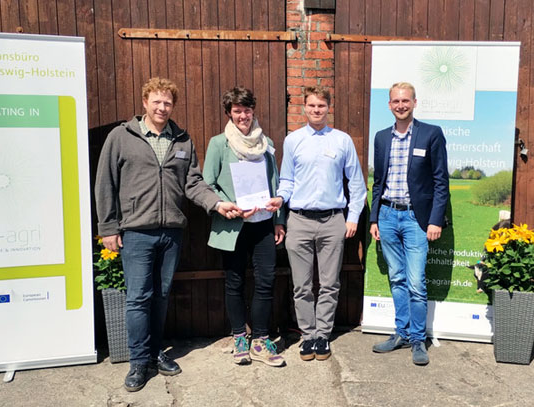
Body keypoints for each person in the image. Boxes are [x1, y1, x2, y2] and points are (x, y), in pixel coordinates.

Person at [95, 77, 241, 392]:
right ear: (145, 102)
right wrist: (107, 228)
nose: (162, 108)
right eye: (157, 102)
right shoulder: (122, 137)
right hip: (136, 232)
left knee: (161, 296)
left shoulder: (182, 140)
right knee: (137, 298)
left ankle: (155, 351)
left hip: (171, 231)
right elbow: (105, 183)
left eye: (168, 103)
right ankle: (138, 362)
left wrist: (216, 203)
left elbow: (193, 183)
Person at [267, 86, 366, 361]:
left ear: (328, 107)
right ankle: (307, 336)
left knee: (330, 283)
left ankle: (323, 335)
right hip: (298, 220)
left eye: (321, 106)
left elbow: (357, 183)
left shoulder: (342, 140)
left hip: (333, 220)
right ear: (304, 107)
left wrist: (353, 217)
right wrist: (280, 199)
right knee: (302, 284)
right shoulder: (293, 140)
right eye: (311, 106)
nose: (316, 110)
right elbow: (286, 180)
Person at [203, 87, 286, 367]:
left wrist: (279, 219)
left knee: (266, 281)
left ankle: (261, 340)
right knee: (235, 282)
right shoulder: (219, 144)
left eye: (247, 110)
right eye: (237, 111)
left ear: (254, 111)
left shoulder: (267, 143)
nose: (243, 116)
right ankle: (240, 337)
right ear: (229, 113)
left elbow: (276, 185)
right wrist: (228, 205)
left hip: (263, 224)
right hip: (233, 225)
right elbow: (208, 184)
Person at [369, 82, 449, 366]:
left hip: (417, 218)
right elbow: (378, 182)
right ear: (389, 105)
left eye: (405, 100)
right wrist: (375, 217)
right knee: (397, 278)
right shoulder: (381, 138)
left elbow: (441, 182)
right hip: (388, 216)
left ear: (414, 102)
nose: (400, 105)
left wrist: (435, 220)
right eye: (395, 101)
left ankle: (418, 339)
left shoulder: (431, 134)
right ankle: (400, 334)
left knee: (416, 282)